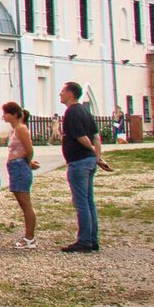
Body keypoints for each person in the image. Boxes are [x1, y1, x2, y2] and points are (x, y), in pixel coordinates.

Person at [58, 81, 109, 253]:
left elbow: (82, 137)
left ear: (70, 93)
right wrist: (97, 157)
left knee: (81, 202)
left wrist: (94, 153)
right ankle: (92, 239)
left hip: (78, 161)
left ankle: (85, 241)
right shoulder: (85, 112)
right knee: (89, 201)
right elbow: (96, 136)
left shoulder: (72, 112)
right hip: (88, 161)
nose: (60, 94)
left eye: (63, 91)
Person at [0, 101, 37, 249]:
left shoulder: (21, 129)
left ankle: (30, 238)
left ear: (14, 114)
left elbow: (29, 149)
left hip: (19, 166)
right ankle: (29, 236)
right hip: (15, 166)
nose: (4, 116)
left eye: (6, 113)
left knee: (26, 203)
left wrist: (28, 161)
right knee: (22, 203)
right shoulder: (15, 130)